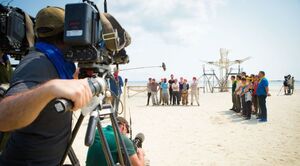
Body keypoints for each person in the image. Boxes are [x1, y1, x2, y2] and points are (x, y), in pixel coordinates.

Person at [0, 7, 93, 165]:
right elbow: (3, 118)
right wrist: (50, 88)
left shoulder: (56, 62)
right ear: (66, 36)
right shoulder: (36, 64)